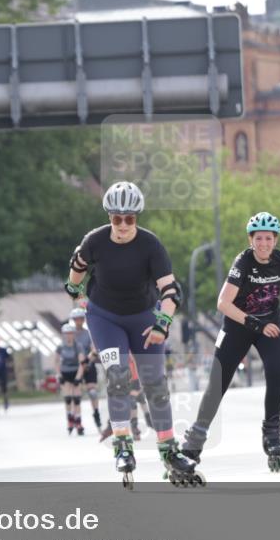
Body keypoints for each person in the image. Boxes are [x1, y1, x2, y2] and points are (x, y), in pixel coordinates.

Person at [65, 180, 201, 487]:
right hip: (105, 317)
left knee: (155, 383)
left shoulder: (151, 245)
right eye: (117, 218)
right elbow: (77, 266)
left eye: (130, 219)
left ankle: (168, 449)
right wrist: (75, 290)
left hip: (143, 317)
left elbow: (170, 290)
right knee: (117, 376)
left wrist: (162, 324)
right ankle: (123, 445)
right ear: (109, 217)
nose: (123, 225)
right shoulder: (95, 241)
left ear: (136, 219)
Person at [181, 212, 280, 472]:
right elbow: (223, 303)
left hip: (269, 326)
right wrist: (255, 323)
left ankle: (272, 433)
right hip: (239, 326)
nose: (263, 244)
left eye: (268, 239)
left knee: (276, 373)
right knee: (218, 383)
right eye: (258, 238)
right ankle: (195, 442)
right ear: (251, 240)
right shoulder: (243, 262)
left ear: (275, 240)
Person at [69, 307, 103, 430]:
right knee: (75, 394)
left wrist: (88, 361)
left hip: (88, 364)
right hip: (75, 366)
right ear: (73, 320)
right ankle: (76, 418)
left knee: (93, 392)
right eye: (77, 319)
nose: (79, 321)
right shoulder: (70, 334)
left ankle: (96, 413)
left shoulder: (89, 333)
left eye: (81, 319)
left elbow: (94, 349)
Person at [55, 323, 86, 435]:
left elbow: (82, 362)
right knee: (68, 398)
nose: (69, 336)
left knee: (77, 399)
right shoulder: (60, 347)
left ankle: (78, 421)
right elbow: (57, 361)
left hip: (76, 372)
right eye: (66, 334)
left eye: (70, 334)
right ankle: (69, 419)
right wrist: (58, 375)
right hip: (65, 372)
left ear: (74, 334)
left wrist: (78, 377)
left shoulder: (78, 346)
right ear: (63, 335)